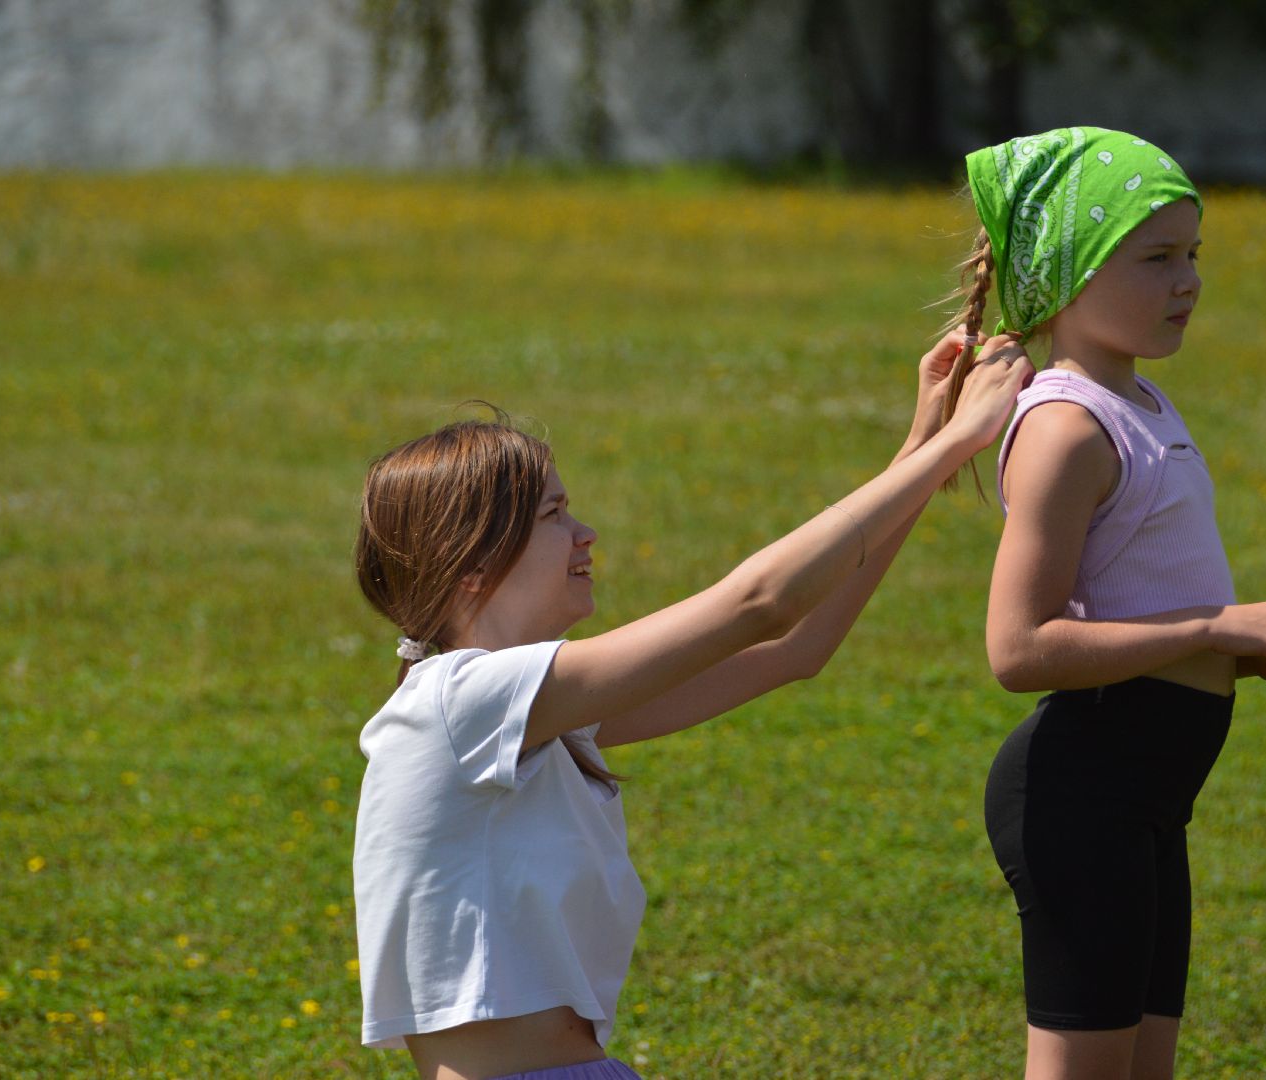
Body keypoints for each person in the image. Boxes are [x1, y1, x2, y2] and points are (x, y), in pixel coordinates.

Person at [349, 339, 1034, 1080]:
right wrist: (961, 440)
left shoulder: (524, 715)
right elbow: (759, 605)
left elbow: (794, 646)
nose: (586, 535)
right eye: (554, 514)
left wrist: (921, 444)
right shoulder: (463, 703)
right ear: (474, 562)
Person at [938, 127, 1266, 1080]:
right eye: (1156, 258)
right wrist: (1212, 627)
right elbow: (1020, 648)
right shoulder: (1068, 426)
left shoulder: (1143, 405)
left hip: (1149, 798)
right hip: (1084, 794)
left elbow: (1133, 594)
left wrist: (1241, 650)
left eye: (1193, 254)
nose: (1188, 281)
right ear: (1069, 272)